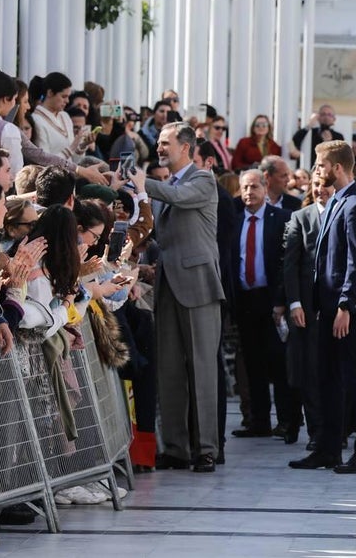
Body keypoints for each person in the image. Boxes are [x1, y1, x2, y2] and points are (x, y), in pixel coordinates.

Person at [141, 122, 225, 473]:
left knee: (202, 370)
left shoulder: (202, 180)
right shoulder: (167, 187)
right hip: (167, 285)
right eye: (158, 143)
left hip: (199, 286)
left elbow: (176, 198)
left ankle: (206, 448)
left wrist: (138, 183)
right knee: (170, 370)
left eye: (165, 143)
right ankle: (175, 447)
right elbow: (167, 237)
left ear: (187, 148)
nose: (159, 148)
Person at [291, 141, 356, 474]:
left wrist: (345, 304)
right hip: (327, 308)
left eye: (319, 166)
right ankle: (328, 449)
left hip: (348, 310)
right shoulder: (336, 202)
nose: (316, 172)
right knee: (326, 379)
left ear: (337, 168)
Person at [229, 169, 292, 439]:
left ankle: (287, 421)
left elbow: (285, 264)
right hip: (245, 299)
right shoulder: (233, 221)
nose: (248, 193)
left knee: (278, 363)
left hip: (272, 299)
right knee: (252, 363)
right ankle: (259, 421)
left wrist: (281, 301)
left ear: (265, 188)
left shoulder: (281, 219)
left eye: (254, 187)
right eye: (244, 187)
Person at [282, 177, 333, 453]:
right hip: (308, 310)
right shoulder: (301, 217)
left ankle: (336, 429)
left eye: (325, 183)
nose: (319, 189)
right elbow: (290, 265)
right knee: (310, 372)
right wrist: (294, 304)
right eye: (315, 184)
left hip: (337, 308)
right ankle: (316, 432)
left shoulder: (344, 212)